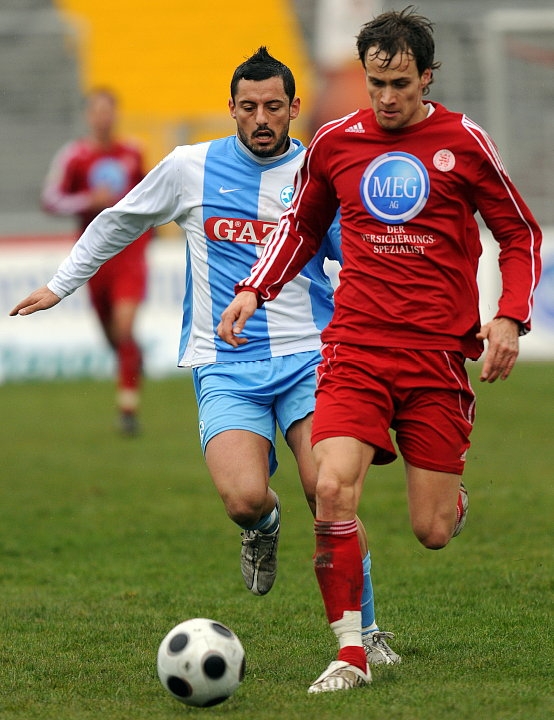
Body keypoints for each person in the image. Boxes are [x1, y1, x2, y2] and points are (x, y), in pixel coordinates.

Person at [11, 48, 399, 666]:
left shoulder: (320, 174)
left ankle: (366, 634)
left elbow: (355, 257)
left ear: (295, 108)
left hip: (310, 359)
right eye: (249, 107)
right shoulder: (191, 167)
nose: (262, 118)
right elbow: (120, 220)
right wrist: (62, 283)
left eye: (274, 106)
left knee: (329, 494)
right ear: (232, 109)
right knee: (245, 497)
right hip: (226, 364)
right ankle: (261, 530)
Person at [218, 10, 542, 694]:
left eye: (399, 84)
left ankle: (450, 502)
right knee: (331, 487)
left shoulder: (464, 141)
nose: (386, 98)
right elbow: (300, 226)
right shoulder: (336, 142)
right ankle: (350, 654)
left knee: (429, 530)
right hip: (355, 346)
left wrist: (510, 316)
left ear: (426, 76)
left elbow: (519, 234)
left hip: (434, 357)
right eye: (374, 83)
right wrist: (255, 287)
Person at [41, 88, 153, 436]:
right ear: (89, 116)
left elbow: (153, 191)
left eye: (109, 111)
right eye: (97, 111)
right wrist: (89, 199)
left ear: (115, 115)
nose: (103, 117)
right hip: (93, 257)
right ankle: (132, 357)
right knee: (113, 334)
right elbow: (51, 200)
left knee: (123, 325)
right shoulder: (74, 156)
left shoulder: (132, 152)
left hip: (130, 253)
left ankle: (127, 410)